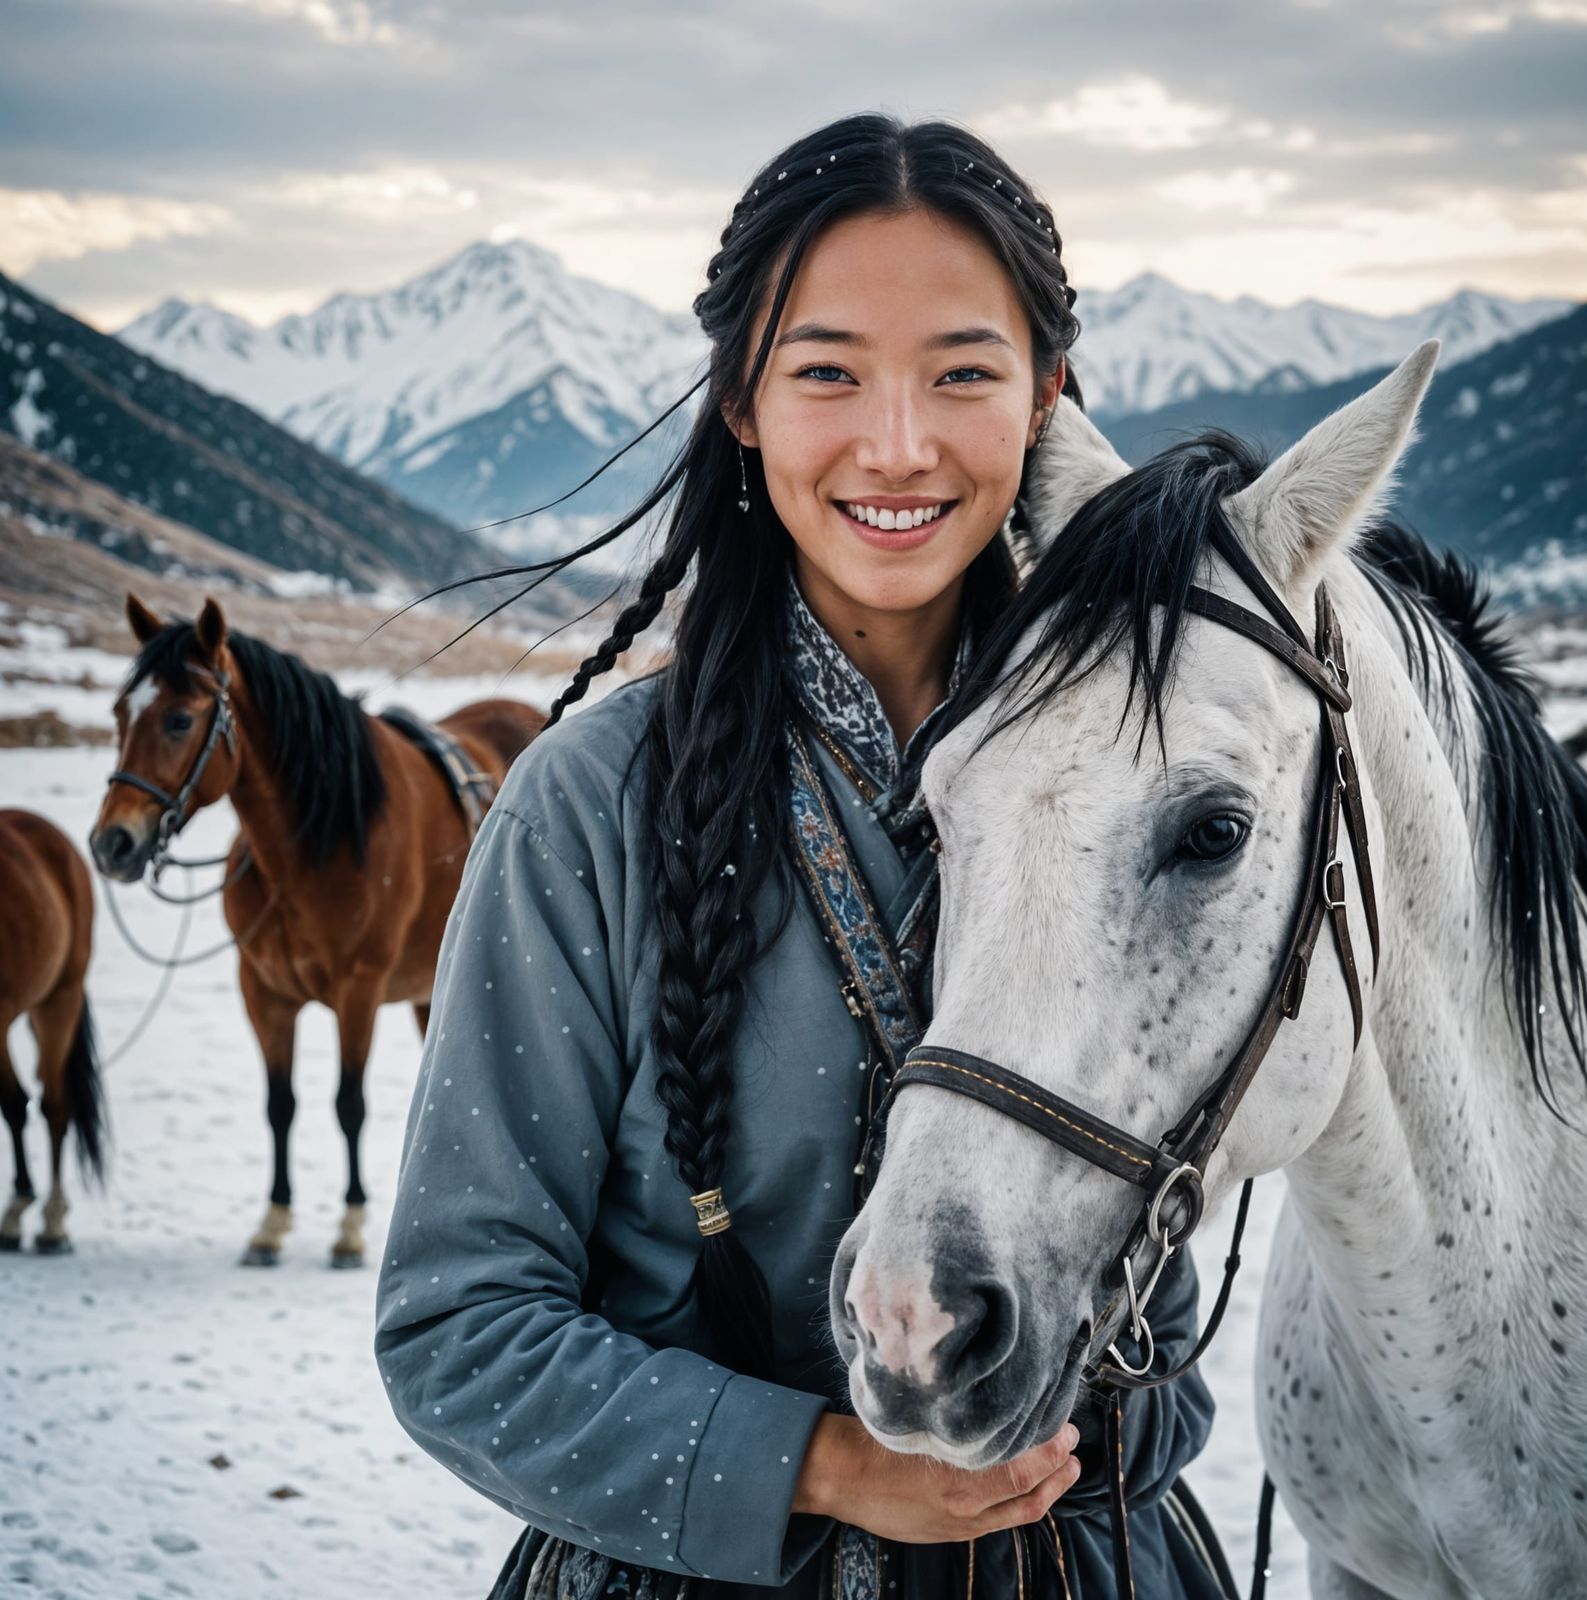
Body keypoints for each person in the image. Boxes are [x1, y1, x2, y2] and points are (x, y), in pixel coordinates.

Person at [375, 112, 1229, 1599]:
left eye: (964, 371)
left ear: (1046, 398)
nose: (897, 444)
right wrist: (829, 1467)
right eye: (828, 370)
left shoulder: (1132, 795)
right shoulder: (586, 810)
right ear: (742, 402)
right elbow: (460, 1330)